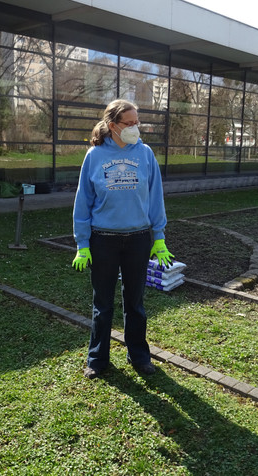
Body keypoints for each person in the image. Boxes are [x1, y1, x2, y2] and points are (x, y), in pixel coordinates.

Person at [72, 99, 173, 379]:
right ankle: (97, 359)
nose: (135, 128)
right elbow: (83, 202)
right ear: (112, 125)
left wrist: (159, 237)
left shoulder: (145, 154)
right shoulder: (94, 156)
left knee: (135, 303)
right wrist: (82, 244)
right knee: (102, 304)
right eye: (129, 123)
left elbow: (155, 197)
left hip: (138, 239)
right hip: (103, 240)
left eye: (137, 122)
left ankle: (139, 356)